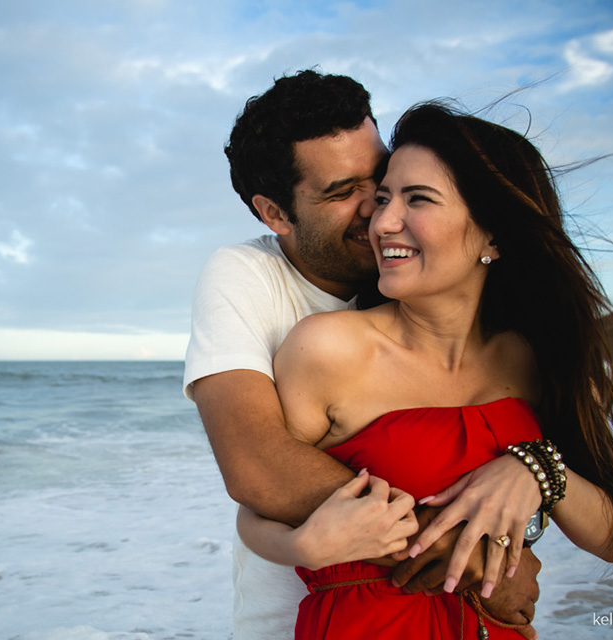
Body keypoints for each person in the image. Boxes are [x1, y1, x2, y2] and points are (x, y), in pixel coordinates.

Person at [236, 100, 613, 638]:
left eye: (418, 200)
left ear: (493, 236)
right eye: (383, 198)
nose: (383, 222)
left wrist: (535, 471)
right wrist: (300, 546)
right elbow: (259, 504)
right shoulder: (326, 350)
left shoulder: (536, 361)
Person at [184, 71, 543, 639]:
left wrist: (534, 471)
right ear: (275, 213)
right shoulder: (246, 275)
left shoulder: (418, 275)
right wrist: (459, 551)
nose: (376, 208)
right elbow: (256, 466)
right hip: (299, 618)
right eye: (340, 191)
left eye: (379, 178)